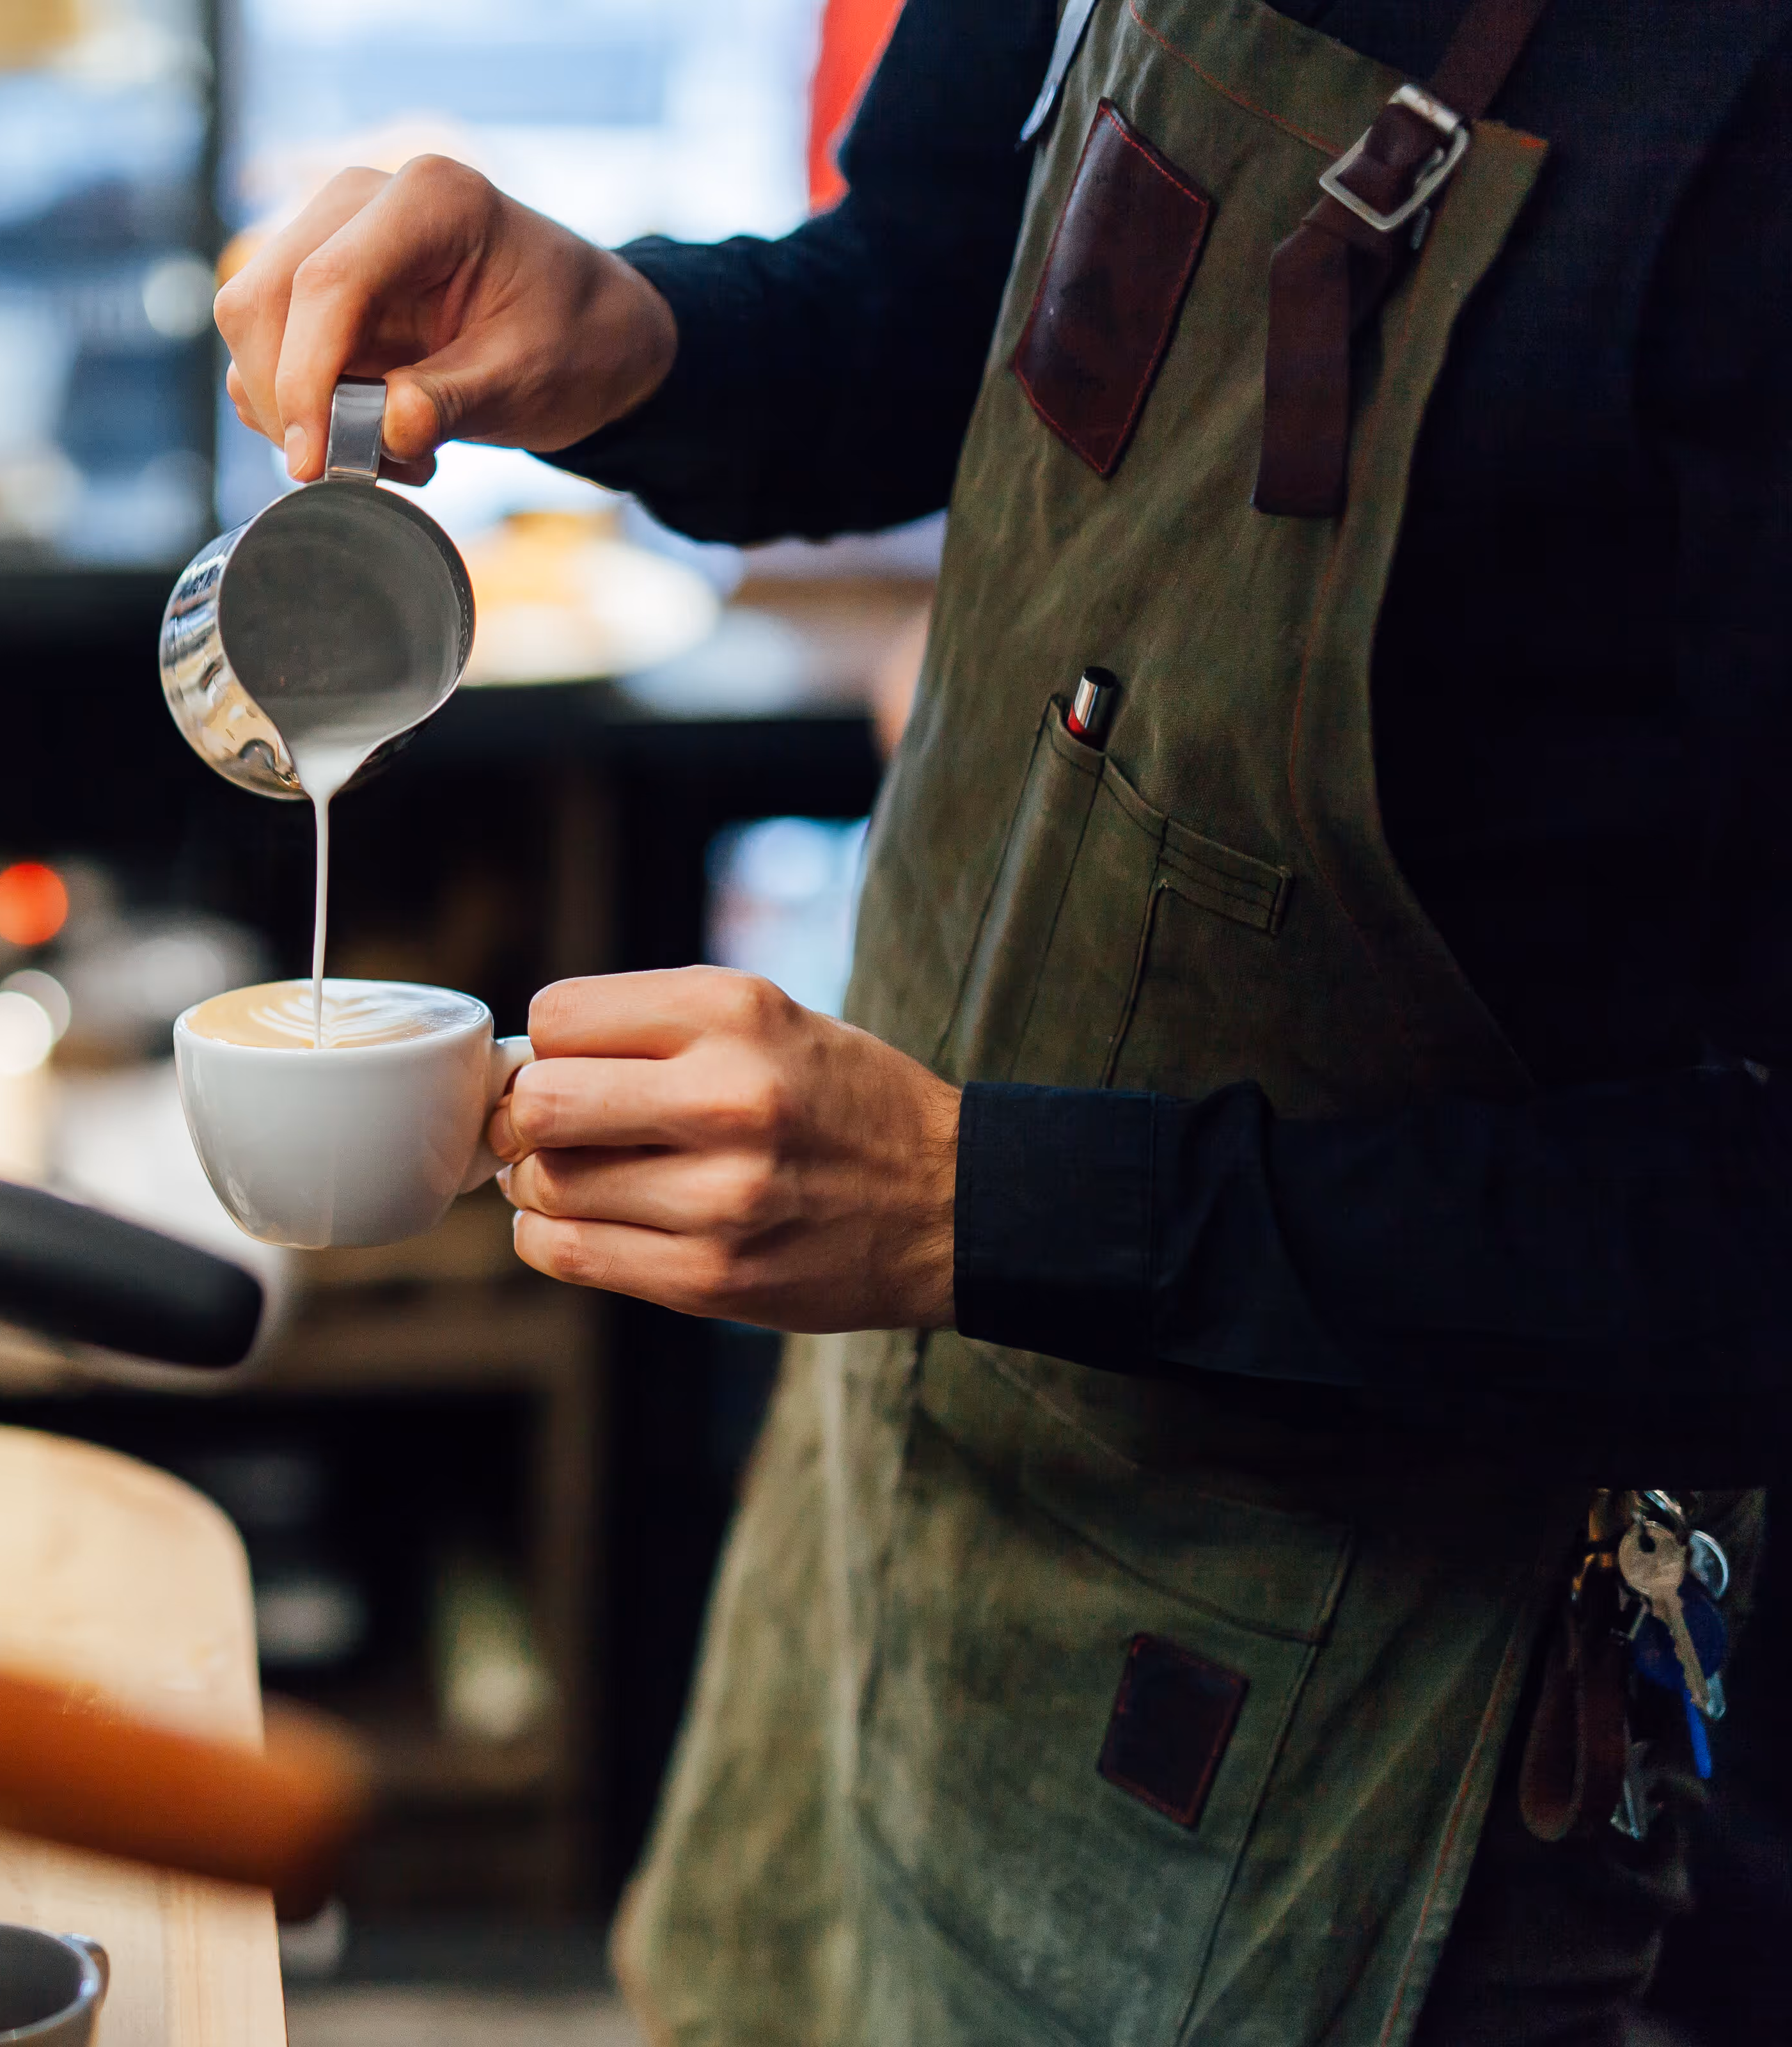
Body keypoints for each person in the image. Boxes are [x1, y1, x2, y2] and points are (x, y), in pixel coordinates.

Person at [213, 0, 1792, 2042]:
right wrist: (634, 334)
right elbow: (933, 301)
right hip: (908, 1477)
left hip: (1359, 1709)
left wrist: (991, 1201)